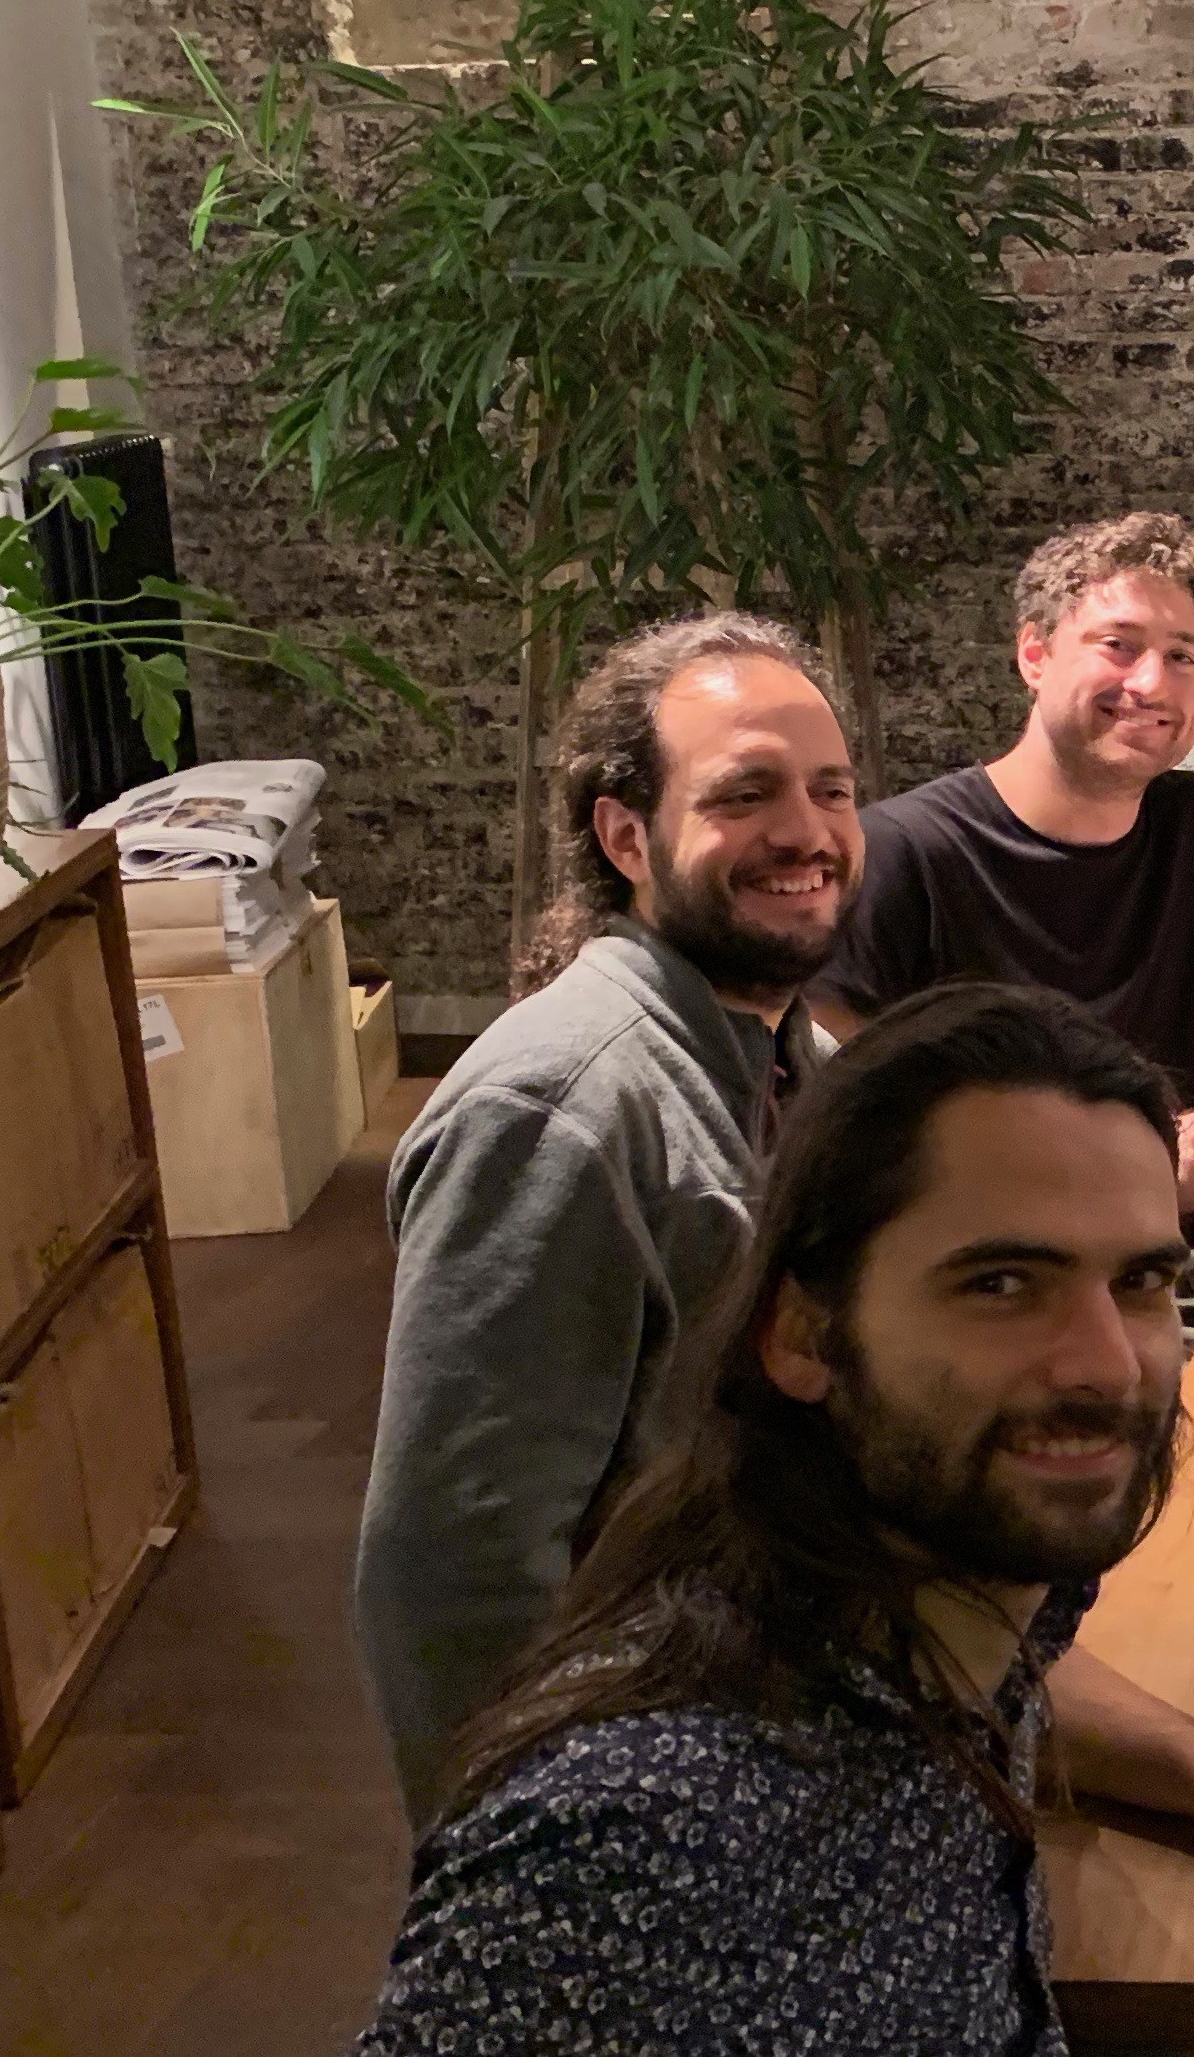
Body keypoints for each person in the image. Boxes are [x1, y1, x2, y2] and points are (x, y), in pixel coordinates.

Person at [353, 985, 1194, 2051]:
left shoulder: (946, 1595)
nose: (1107, 1365)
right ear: (803, 1337)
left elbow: (1009, 1677)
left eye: (1142, 1279)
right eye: (1001, 1284)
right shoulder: (623, 1854)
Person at [358, 612, 861, 1819]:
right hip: (670, 1786)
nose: (807, 831)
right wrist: (530, 1868)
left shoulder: (801, 1061)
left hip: (805, 1714)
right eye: (745, 793)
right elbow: (455, 1575)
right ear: (626, 836)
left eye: (831, 790)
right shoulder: (557, 1113)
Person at [818, 514, 1194, 1223]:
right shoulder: (898, 855)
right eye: (1119, 646)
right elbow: (845, 1135)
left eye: (1181, 657)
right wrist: (1130, 1166)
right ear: (1034, 655)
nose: (1151, 683)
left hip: (1184, 1246)